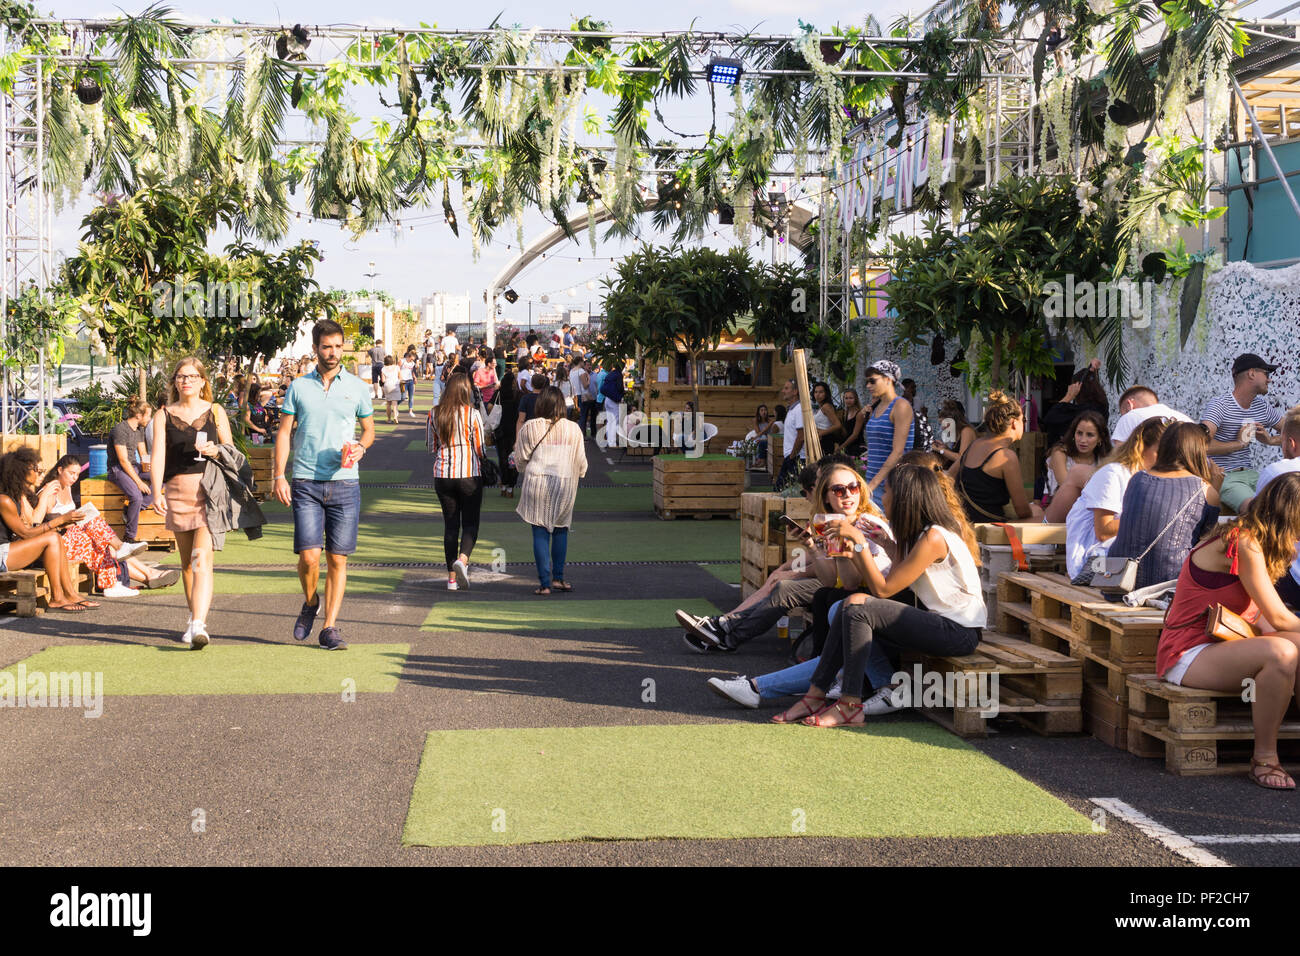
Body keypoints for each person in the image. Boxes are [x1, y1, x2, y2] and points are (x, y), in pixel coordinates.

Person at [771, 461, 985, 725]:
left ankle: (847, 703)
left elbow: (883, 589)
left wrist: (860, 543)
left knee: (856, 606)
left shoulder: (934, 538)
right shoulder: (926, 533)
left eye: (887, 491)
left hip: (958, 632)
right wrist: (881, 544)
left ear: (903, 497)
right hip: (942, 623)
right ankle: (817, 695)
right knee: (849, 604)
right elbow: (900, 570)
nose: (882, 497)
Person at [1154, 472, 1300, 788]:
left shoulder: (1258, 540)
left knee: (1293, 645)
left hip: (1224, 646)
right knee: (1283, 652)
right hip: (1188, 652)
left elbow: (1264, 618)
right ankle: (1264, 759)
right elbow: (1278, 618)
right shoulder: (1243, 541)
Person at [675, 461, 891, 654]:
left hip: (871, 593)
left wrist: (800, 569)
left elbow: (851, 582)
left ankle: (725, 633)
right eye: (839, 490)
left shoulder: (867, 525)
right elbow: (830, 578)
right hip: (844, 589)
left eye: (853, 487)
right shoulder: (832, 523)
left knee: (789, 588)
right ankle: (724, 631)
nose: (848, 495)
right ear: (825, 496)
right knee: (792, 585)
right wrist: (811, 547)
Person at [274, 319, 375, 651]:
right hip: (305, 481)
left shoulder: (357, 387)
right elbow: (284, 433)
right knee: (309, 557)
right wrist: (278, 475)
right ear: (315, 348)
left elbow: (369, 430)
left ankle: (330, 627)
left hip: (345, 483)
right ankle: (310, 601)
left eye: (337, 346)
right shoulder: (299, 387)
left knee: (337, 559)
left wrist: (361, 447)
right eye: (326, 346)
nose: (333, 352)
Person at [151, 356, 234, 648]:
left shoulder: (215, 411)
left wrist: (215, 450)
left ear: (202, 382)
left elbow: (231, 451)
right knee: (187, 564)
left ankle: (199, 624)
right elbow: (158, 455)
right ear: (175, 382)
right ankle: (193, 618)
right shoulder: (163, 415)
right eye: (181, 376)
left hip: (208, 493)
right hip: (177, 493)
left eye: (192, 376)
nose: (186, 381)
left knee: (201, 561)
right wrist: (156, 491)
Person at [33, 455, 177, 595]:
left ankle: (147, 576)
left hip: (74, 538)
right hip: (60, 543)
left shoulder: (67, 488)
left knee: (105, 544)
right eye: (71, 473)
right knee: (103, 540)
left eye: (77, 474)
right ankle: (136, 569)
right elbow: (39, 523)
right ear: (60, 470)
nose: (74, 477)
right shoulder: (49, 492)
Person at [1108, 422, 1222, 590]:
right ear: (1197, 451)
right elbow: (1204, 542)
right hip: (1167, 585)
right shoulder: (1205, 490)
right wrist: (1215, 488)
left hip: (1117, 580)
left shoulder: (1137, 479)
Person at [1064, 415, 1169, 582]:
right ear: (1142, 447)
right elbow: (1104, 532)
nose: (1167, 459)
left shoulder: (1150, 477)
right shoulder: (1113, 473)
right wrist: (1150, 520)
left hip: (1124, 560)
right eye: (1161, 452)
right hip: (1094, 564)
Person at [0, 448, 99, 611]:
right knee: (52, 537)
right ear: (20, 471)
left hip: (9, 550)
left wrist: (60, 524)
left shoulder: (17, 495)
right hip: (2, 554)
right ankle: (57, 598)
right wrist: (60, 520)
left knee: (55, 537)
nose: (40, 473)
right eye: (36, 470)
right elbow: (25, 533)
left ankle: (70, 594)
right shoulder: (4, 500)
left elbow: (30, 526)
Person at [515, 386, 588, 595]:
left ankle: (544, 583)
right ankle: (559, 578)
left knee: (539, 531)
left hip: (536, 482)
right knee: (561, 529)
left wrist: (525, 468)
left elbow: (521, 459)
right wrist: (577, 473)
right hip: (565, 483)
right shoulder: (573, 429)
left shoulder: (530, 427)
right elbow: (581, 463)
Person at [1203, 353, 1285, 514]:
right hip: (1226, 476)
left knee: (1284, 505)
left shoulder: (1262, 406)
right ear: (1252, 373)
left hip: (1252, 475)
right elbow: (1200, 444)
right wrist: (1239, 444)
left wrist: (1270, 440)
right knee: (1257, 510)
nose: (1269, 379)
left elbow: (1293, 433)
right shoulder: (1219, 405)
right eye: (1266, 373)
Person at [430, 373, 485, 591]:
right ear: (465, 391)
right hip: (469, 472)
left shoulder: (435, 413)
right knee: (470, 522)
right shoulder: (472, 414)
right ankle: (463, 559)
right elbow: (480, 448)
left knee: (451, 525)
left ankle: (451, 579)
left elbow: (432, 446)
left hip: (443, 473)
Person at [952, 391, 1039, 523]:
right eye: (1024, 420)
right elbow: (1022, 511)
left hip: (966, 520)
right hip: (990, 524)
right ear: (1014, 423)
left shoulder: (974, 445)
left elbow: (949, 476)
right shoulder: (1006, 457)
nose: (1024, 423)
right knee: (1041, 515)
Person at [862, 360, 914, 507]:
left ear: (888, 379)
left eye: (872, 381)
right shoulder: (878, 406)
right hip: (873, 481)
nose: (868, 386)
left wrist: (872, 485)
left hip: (891, 485)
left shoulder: (900, 405)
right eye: (867, 382)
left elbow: (898, 452)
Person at [1042, 411, 1111, 521]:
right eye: (1079, 433)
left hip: (1088, 513)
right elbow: (1067, 488)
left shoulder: (1104, 459)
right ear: (1073, 434)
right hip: (1056, 512)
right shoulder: (1060, 453)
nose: (1083, 440)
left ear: (1100, 438)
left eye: (1090, 435)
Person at [106, 397, 154, 543]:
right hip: (117, 469)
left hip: (134, 466)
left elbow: (143, 453)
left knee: (163, 477)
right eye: (148, 415)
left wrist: (148, 465)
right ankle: (129, 537)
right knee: (136, 497)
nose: (150, 419)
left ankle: (132, 509)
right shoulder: (120, 430)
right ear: (139, 415)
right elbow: (123, 461)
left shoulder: (139, 429)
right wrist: (139, 482)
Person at [1041, 361, 1109, 452]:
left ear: (1078, 388)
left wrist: (1068, 396)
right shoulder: (1102, 407)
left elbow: (1049, 419)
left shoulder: (1082, 411)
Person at [1109, 385, 1192, 444]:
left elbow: (1119, 457)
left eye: (1124, 412)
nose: (1124, 416)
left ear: (1129, 405)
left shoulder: (1130, 417)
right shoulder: (1187, 420)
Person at [495, 365, 521, 498]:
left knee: (503, 459)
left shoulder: (499, 394)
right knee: (514, 460)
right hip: (516, 431)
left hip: (500, 430)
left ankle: (504, 485)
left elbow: (489, 407)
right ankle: (511, 487)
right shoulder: (519, 395)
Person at [931, 399, 977, 467]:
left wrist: (940, 450)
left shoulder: (967, 431)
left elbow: (961, 458)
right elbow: (956, 454)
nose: (943, 428)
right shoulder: (958, 433)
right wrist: (946, 448)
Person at [599, 360, 625, 449]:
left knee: (610, 421)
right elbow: (620, 387)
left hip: (607, 399)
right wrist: (622, 394)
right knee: (615, 421)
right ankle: (612, 443)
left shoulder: (611, 374)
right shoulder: (619, 375)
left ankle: (609, 440)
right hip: (614, 400)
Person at [810, 382, 842, 448]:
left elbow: (838, 425)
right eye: (816, 392)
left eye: (821, 392)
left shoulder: (826, 407)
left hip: (826, 440)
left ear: (826, 393)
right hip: (821, 440)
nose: (818, 394)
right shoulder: (820, 407)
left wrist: (821, 433)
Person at [836, 389, 866, 458]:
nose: (848, 400)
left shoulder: (859, 414)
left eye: (851, 398)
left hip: (857, 446)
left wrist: (841, 447)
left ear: (855, 399)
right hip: (848, 446)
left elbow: (855, 435)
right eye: (846, 398)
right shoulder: (845, 413)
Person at [399, 348, 418, 417]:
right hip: (402, 381)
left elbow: (412, 371)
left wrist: (414, 377)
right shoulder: (402, 361)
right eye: (411, 359)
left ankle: (410, 411)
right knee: (403, 397)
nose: (412, 360)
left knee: (411, 397)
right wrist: (399, 378)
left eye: (413, 359)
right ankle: (395, 405)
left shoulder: (412, 363)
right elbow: (397, 369)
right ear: (409, 356)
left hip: (410, 381)